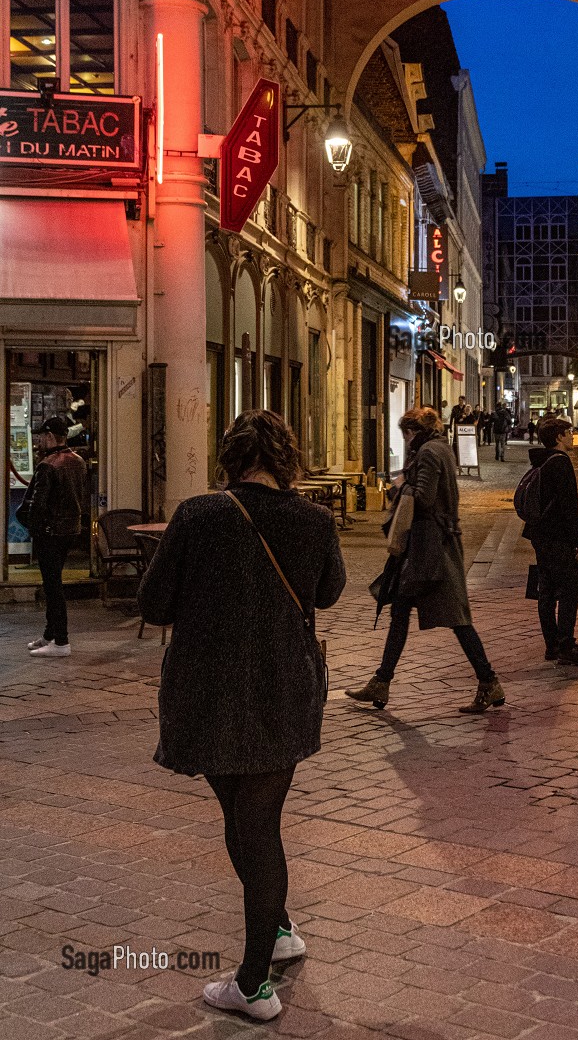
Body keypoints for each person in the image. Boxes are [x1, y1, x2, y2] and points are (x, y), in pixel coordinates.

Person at [138, 410, 346, 1023]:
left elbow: (153, 600)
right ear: (286, 458)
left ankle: (254, 981)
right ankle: (277, 930)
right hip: (283, 689)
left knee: (251, 829)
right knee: (254, 822)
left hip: (208, 691)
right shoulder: (313, 520)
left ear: (230, 457)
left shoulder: (199, 515)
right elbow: (330, 592)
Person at [346, 406, 504, 714]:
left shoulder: (429, 453)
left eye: (406, 433)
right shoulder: (440, 448)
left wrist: (398, 485)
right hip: (429, 549)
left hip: (431, 551)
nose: (405, 439)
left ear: (413, 431)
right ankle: (382, 681)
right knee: (403, 612)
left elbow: (423, 498)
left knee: (457, 619)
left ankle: (488, 680)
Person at [522, 415, 578, 666]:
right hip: (558, 537)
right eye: (567, 432)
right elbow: (568, 506)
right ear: (558, 437)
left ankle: (551, 644)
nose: (571, 435)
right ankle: (567, 644)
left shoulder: (540, 461)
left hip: (539, 534)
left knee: (546, 590)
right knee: (570, 591)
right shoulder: (561, 463)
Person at [20, 416, 87, 658]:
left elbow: (37, 505)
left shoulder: (48, 465)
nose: (39, 440)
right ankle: (49, 634)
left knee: (53, 587)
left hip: (49, 533)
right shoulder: (79, 461)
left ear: (49, 436)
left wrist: (34, 530)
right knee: (54, 582)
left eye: (41, 436)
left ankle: (61, 641)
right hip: (70, 530)